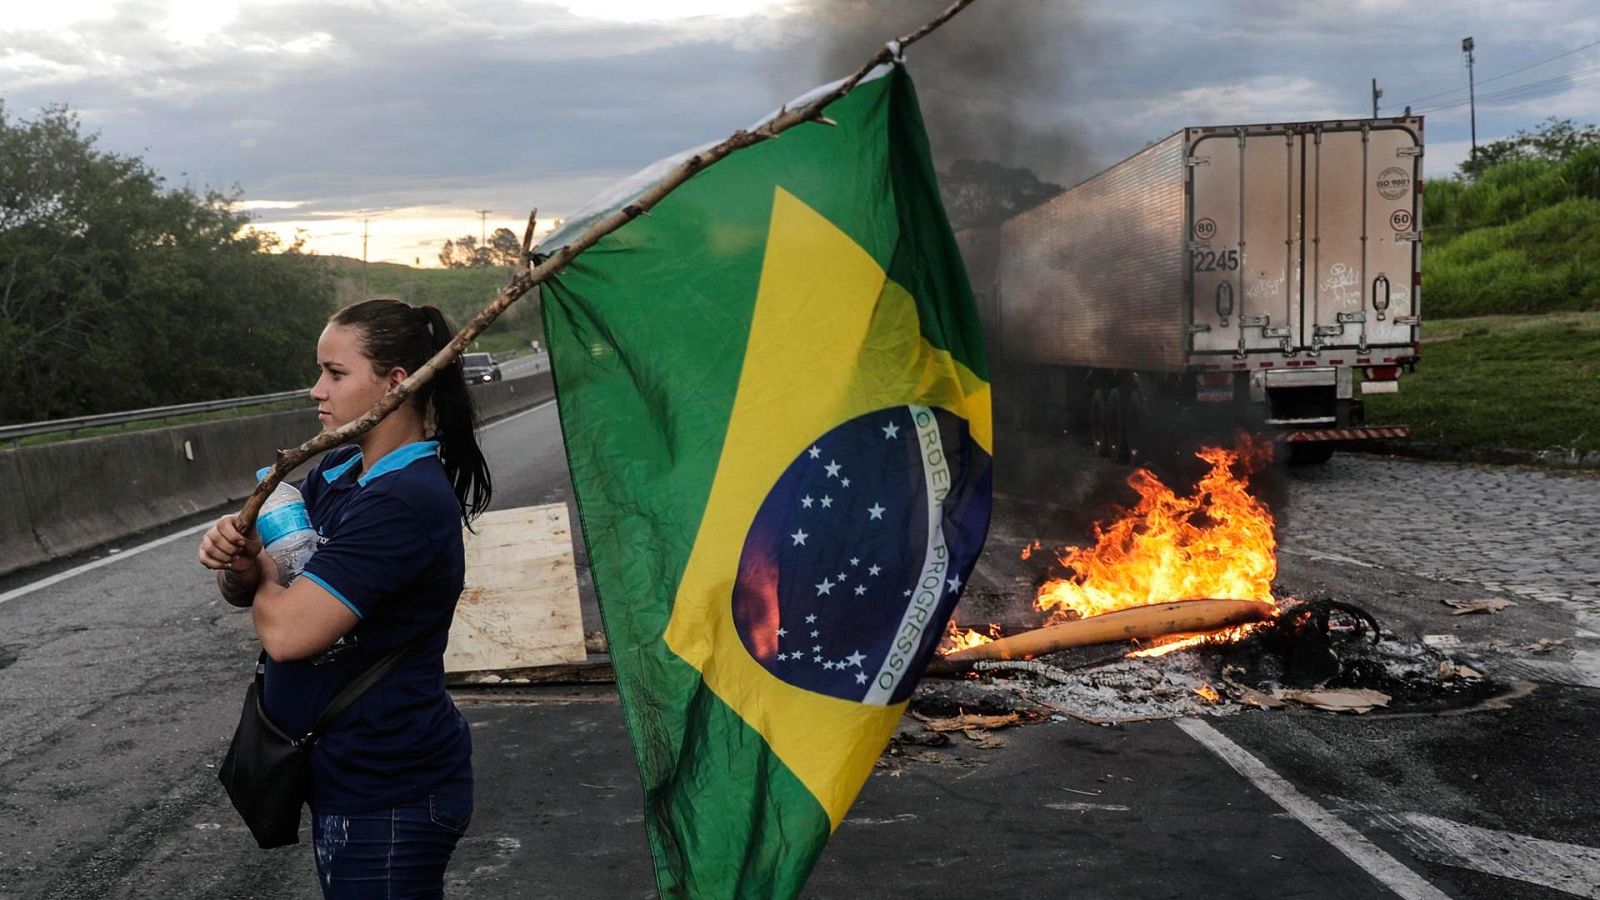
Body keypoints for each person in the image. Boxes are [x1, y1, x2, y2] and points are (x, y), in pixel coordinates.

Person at [197, 298, 492, 899]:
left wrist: (260, 573)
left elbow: (287, 633)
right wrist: (242, 563)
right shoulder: (336, 474)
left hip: (391, 792)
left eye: (335, 373)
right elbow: (264, 584)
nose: (316, 391)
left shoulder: (403, 499)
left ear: (395, 382)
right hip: (348, 780)